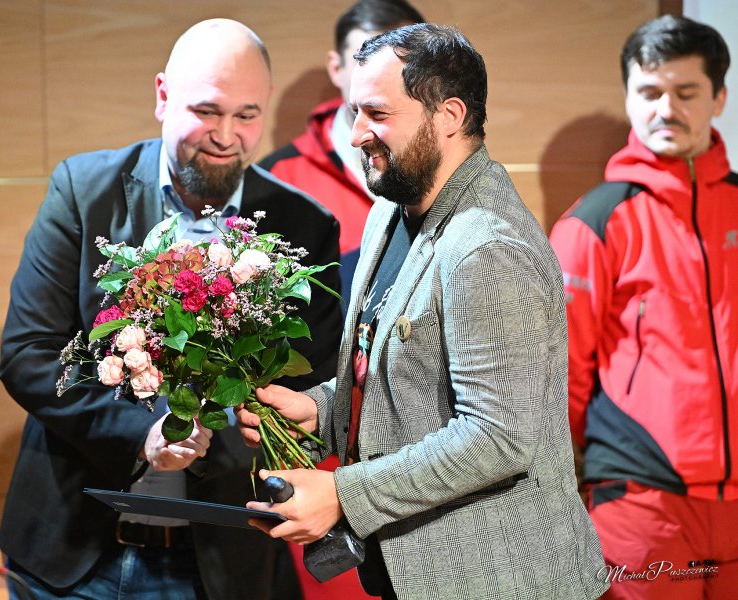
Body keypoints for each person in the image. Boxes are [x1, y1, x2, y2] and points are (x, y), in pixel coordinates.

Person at [237, 23, 608, 600]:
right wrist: (319, 407)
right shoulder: (391, 211)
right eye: (354, 112)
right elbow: (401, 376)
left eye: (376, 114)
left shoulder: (490, 245)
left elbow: (497, 437)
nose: (357, 133)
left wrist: (342, 494)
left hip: (502, 581)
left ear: (450, 115)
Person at [0, 18, 342, 600]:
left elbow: (315, 395)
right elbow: (29, 355)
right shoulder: (84, 191)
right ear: (162, 96)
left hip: (219, 562)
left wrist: (210, 440)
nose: (226, 135)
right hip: (73, 553)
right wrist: (145, 434)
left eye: (247, 115)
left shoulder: (303, 225)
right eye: (207, 111)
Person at [549, 14, 737, 600]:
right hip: (639, 497)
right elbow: (563, 377)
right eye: (649, 93)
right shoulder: (593, 221)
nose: (665, 109)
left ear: (719, 98)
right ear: (629, 98)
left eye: (685, 93)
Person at [259, 0, 425, 304]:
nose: (385, 79)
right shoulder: (278, 178)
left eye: (403, 64)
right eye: (366, 59)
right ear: (336, 68)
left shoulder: (449, 164)